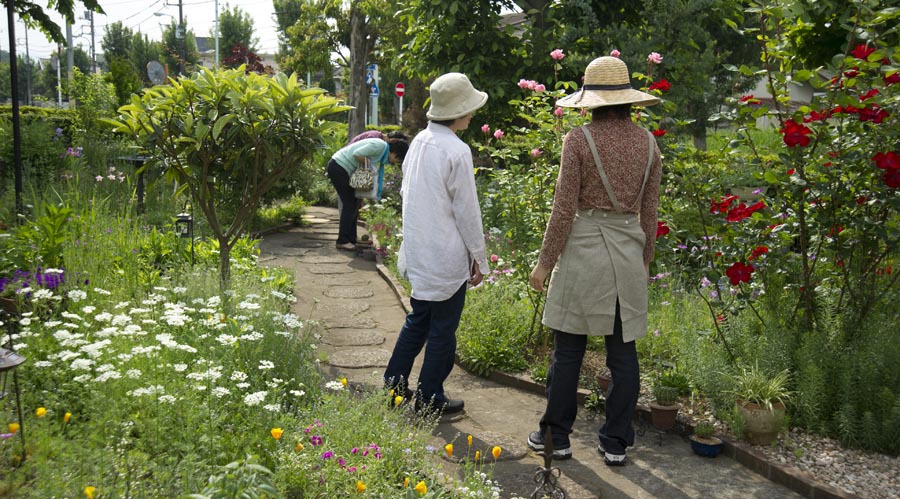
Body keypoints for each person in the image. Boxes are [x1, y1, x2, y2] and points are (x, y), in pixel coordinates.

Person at [525, 55, 662, 465]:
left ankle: (556, 436)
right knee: (623, 354)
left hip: (585, 253)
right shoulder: (649, 144)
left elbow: (563, 208)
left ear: (590, 100)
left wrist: (545, 262)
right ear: (628, 101)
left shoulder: (579, 140)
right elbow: (650, 212)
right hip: (626, 253)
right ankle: (616, 441)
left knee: (568, 350)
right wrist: (645, 258)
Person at [383, 73, 490, 415]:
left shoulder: (418, 142)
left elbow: (407, 194)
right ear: (458, 111)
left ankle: (395, 388)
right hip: (445, 254)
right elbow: (467, 212)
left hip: (419, 250)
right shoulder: (457, 151)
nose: (472, 114)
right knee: (442, 329)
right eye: (469, 108)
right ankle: (430, 397)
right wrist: (479, 257)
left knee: (418, 321)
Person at [326, 136, 408, 250]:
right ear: (395, 153)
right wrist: (369, 165)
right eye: (398, 159)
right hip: (339, 167)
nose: (395, 162)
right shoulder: (380, 146)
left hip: (343, 169)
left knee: (355, 204)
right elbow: (357, 154)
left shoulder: (382, 150)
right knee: (349, 204)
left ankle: (351, 238)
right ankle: (342, 240)